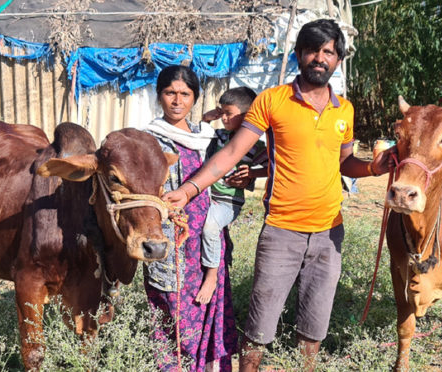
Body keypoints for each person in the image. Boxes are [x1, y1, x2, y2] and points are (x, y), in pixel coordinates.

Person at [163, 19, 393, 372]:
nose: (320, 57)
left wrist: (375, 168)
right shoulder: (273, 100)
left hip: (330, 233)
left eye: (328, 51)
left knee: (315, 324)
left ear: (338, 59)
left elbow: (345, 162)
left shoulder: (344, 110)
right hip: (281, 231)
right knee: (259, 325)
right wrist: (188, 189)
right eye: (312, 50)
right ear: (300, 54)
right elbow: (230, 154)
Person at [143, 65, 238, 371]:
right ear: (159, 96)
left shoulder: (206, 137)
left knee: (209, 303)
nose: (177, 100)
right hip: (169, 236)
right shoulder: (148, 140)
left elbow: (230, 164)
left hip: (206, 235)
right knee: (172, 306)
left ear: (195, 98)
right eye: (170, 92)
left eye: (185, 94)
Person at [195, 87, 267, 305]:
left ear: (247, 116)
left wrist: (253, 172)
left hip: (228, 202)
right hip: (206, 195)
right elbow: (196, 141)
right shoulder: (219, 136)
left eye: (229, 113)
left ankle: (211, 275)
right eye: (221, 112)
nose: (224, 118)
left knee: (210, 227)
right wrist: (205, 120)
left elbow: (274, 166)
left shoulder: (256, 146)